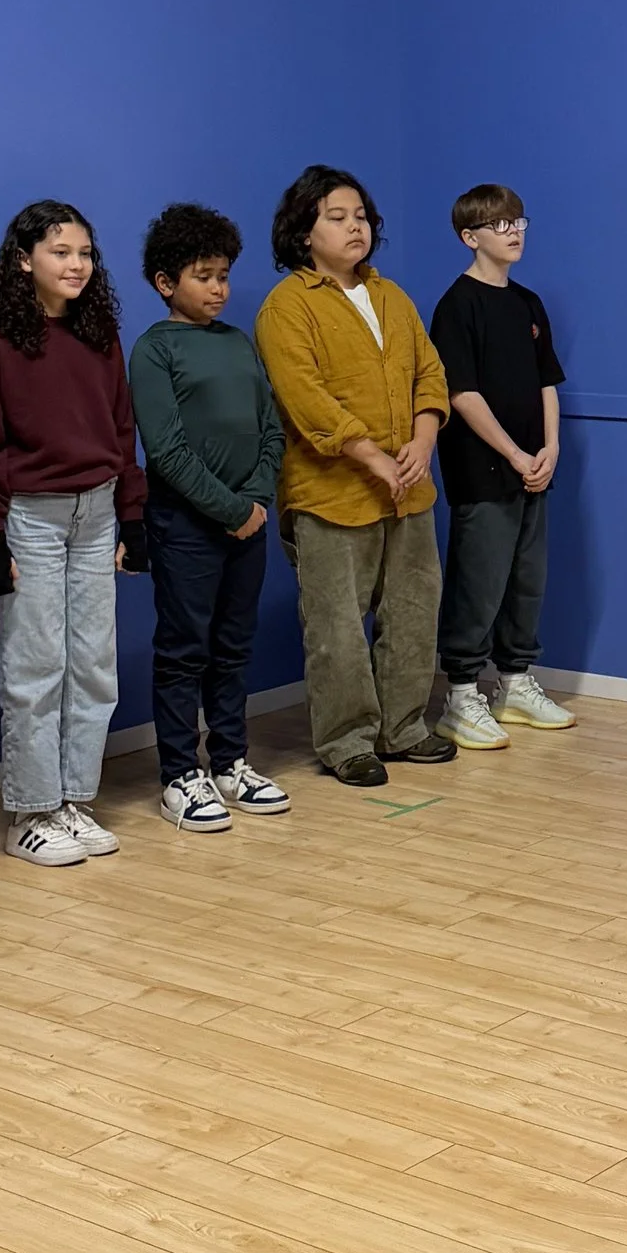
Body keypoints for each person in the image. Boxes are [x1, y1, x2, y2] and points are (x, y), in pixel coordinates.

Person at [0, 200, 147, 868]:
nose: (77, 264)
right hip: (30, 519)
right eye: (61, 251)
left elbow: (121, 429)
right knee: (35, 667)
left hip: (97, 513)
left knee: (94, 664)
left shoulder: (101, 334)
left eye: (86, 253)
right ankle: (30, 811)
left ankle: (73, 799)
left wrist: (132, 513)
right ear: (24, 260)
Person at [257, 166, 455, 788]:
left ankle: (404, 729)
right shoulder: (286, 306)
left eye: (361, 216)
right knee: (336, 626)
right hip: (331, 493)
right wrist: (373, 456)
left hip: (410, 487)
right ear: (303, 231)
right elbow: (305, 398)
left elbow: (430, 372)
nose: (354, 227)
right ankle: (347, 741)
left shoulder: (393, 296)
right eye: (336, 217)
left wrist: (422, 441)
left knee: (414, 612)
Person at [129, 203, 290, 835]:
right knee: (183, 650)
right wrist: (229, 510)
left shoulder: (238, 341)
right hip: (187, 527)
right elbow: (164, 451)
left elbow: (270, 428)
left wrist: (255, 502)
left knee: (232, 646)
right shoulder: (153, 351)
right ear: (167, 283)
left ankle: (230, 761)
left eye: (223, 274)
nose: (218, 288)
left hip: (246, 523)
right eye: (203, 275)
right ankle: (179, 774)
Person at [431, 185, 576, 749]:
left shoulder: (528, 303)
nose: (514, 231)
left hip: (535, 468)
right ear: (471, 237)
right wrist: (513, 453)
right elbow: (461, 393)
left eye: (519, 221)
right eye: (499, 225)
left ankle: (513, 683)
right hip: (484, 471)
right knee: (480, 582)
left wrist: (550, 448)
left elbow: (547, 382)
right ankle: (462, 694)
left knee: (526, 580)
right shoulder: (457, 306)